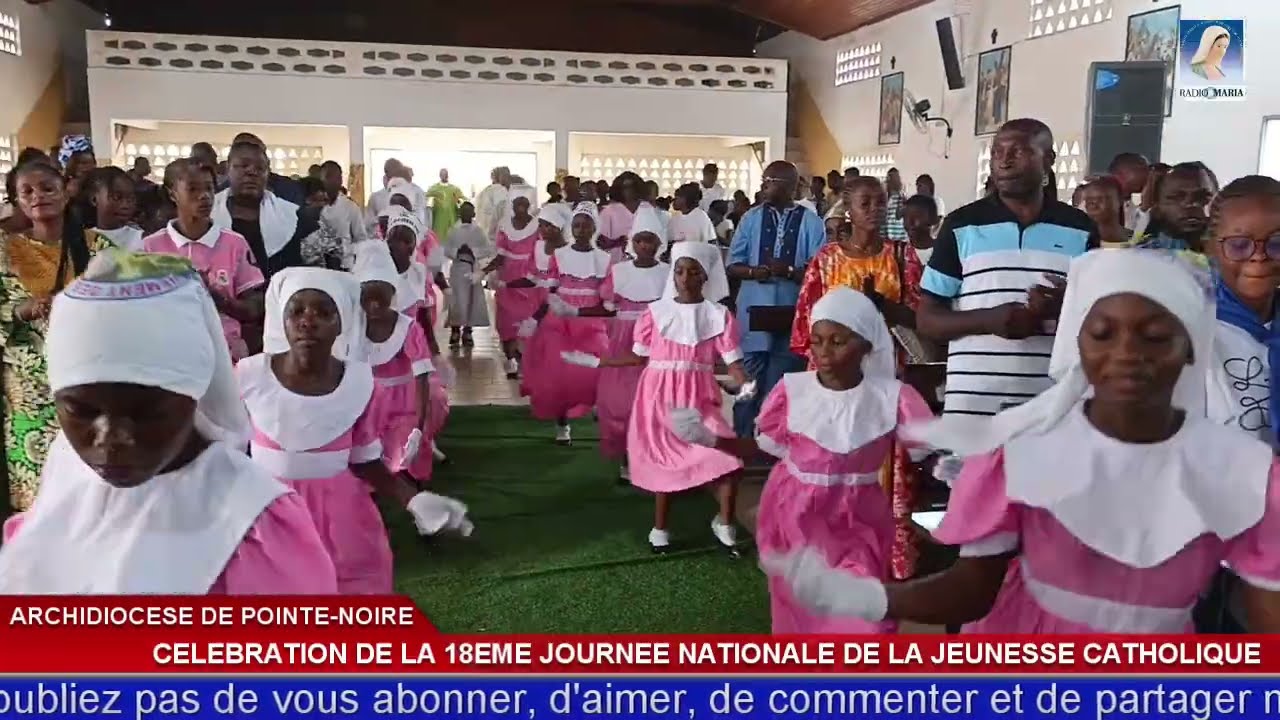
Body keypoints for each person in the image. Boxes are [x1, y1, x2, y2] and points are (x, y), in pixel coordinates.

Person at [765, 249, 1280, 634]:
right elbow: (970, 590)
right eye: (1103, 333)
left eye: (1155, 336)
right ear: (1077, 341)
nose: (1128, 354)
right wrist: (866, 598)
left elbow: (1266, 614)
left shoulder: (1242, 472)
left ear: (1191, 347)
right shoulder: (1024, 454)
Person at [0, 251, 337, 593]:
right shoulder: (68, 470)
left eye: (145, 413)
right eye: (81, 411)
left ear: (194, 394)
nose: (112, 438)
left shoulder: (251, 524)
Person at [673, 286, 935, 630]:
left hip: (858, 519)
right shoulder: (793, 390)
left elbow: (924, 451)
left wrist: (956, 468)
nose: (824, 352)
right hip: (796, 512)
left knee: (865, 618)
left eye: (838, 341)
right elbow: (762, 447)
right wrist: (709, 439)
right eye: (817, 340)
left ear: (866, 345)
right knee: (800, 611)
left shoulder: (893, 397)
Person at [239, 267, 472, 593]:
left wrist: (414, 500)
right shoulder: (249, 376)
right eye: (297, 311)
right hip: (268, 512)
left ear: (341, 324)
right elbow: (224, 448)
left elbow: (365, 461)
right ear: (282, 319)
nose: (308, 320)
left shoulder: (360, 383)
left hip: (340, 515)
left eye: (323, 312)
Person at [564, 242, 749, 552]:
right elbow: (639, 358)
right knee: (666, 463)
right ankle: (660, 529)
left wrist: (745, 384)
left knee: (728, 459)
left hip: (698, 398)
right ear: (672, 275)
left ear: (706, 277)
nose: (686, 278)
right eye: (679, 271)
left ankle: (725, 523)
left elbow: (733, 361)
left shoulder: (718, 315)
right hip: (659, 397)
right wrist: (600, 361)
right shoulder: (655, 313)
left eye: (694, 272)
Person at [917, 118, 1098, 417]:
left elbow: (1100, 316)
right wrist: (988, 321)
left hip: (1054, 404)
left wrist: (1065, 307)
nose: (1004, 161)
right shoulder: (962, 225)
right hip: (973, 404)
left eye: (1019, 151)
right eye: (997, 152)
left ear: (1049, 160)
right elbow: (927, 320)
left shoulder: (1080, 228)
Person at [0, 160, 95, 512]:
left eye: (47, 187)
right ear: (17, 202)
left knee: (86, 494)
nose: (38, 196)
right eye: (27, 191)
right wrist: (20, 310)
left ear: (66, 191)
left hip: (86, 386)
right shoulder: (5, 252)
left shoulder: (99, 248)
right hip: (29, 394)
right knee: (35, 498)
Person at [727, 160, 827, 438]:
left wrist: (792, 272)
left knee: (783, 386)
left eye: (770, 181)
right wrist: (753, 271)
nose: (763, 186)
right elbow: (732, 264)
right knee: (748, 383)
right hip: (753, 314)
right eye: (764, 180)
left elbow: (819, 271)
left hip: (793, 314)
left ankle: (774, 447)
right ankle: (745, 443)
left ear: (789, 186)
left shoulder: (810, 221)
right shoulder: (751, 218)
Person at [144, 158, 265, 362]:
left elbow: (255, 307)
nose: (205, 196)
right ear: (172, 194)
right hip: (167, 355)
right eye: (192, 189)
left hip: (225, 355)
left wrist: (219, 299)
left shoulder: (234, 243)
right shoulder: (150, 247)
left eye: (209, 188)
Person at [521, 202, 612, 445]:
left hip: (590, 320)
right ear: (571, 227)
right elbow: (551, 292)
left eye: (586, 225)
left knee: (597, 368)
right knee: (557, 375)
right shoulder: (559, 256)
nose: (581, 230)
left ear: (595, 228)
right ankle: (563, 426)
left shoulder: (603, 259)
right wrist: (535, 318)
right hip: (559, 321)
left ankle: (594, 401)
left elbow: (607, 297)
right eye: (577, 225)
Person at [351, 241, 438, 486]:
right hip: (365, 406)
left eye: (382, 297)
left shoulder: (408, 328)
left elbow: (421, 380)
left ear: (393, 293)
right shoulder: (351, 327)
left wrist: (419, 429)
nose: (375, 305)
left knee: (406, 459)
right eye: (368, 298)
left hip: (404, 405)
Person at [1207, 176, 1280, 446]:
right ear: (1212, 247)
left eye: (1277, 243)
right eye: (1239, 245)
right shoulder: (1190, 330)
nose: (1259, 256)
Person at [596, 213, 669, 481]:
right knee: (622, 402)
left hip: (659, 341)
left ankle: (654, 454)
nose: (645, 247)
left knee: (657, 400)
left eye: (651, 241)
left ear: (659, 243)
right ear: (632, 243)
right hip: (625, 341)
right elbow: (608, 307)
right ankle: (627, 455)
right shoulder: (619, 272)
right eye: (640, 240)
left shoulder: (669, 273)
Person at [212, 141, 310, 283]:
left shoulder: (293, 217)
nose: (252, 172)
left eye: (260, 168)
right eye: (244, 165)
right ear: (228, 169)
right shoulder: (207, 214)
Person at [485, 191, 543, 377]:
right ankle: (510, 358)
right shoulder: (505, 227)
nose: (521, 207)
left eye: (524, 203)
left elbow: (543, 252)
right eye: (517, 203)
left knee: (527, 321)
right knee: (506, 322)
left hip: (529, 278)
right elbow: (500, 256)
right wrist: (484, 271)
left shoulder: (538, 227)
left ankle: (523, 358)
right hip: (507, 278)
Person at [1134, 162, 1214, 256]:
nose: (1190, 204)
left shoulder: (1227, 258)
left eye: (1202, 196)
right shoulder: (1140, 257)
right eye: (1176, 197)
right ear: (1156, 207)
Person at [442, 201, 492, 348]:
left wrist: (473, 251)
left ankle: (468, 331)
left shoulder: (478, 231)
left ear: (474, 213)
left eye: (469, 212)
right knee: (456, 300)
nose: (466, 214)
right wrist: (458, 250)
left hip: (473, 268)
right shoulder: (453, 230)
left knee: (472, 301)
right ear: (460, 213)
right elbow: (446, 249)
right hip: (458, 268)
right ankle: (455, 329)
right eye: (464, 212)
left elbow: (487, 249)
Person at [225, 133, 304, 205]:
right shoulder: (218, 195)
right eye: (244, 164)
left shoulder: (289, 188)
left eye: (255, 150)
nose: (251, 171)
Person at [318, 161, 366, 268]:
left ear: (340, 180)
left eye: (333, 177)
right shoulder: (314, 206)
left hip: (345, 266)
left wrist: (344, 249)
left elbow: (362, 241)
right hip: (320, 267)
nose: (329, 181)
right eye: (326, 177)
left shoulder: (350, 207)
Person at [84, 167, 144, 251]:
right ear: (94, 199)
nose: (125, 205)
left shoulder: (143, 239)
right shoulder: (83, 240)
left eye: (130, 199)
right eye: (117, 198)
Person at [598, 172, 646, 261]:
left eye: (632, 186)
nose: (630, 190)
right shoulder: (608, 211)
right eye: (625, 187)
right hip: (616, 261)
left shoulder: (646, 208)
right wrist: (619, 241)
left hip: (644, 262)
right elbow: (602, 242)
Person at [1078, 175, 1133, 248]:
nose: (1094, 205)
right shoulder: (1080, 239)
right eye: (1089, 201)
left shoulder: (1137, 241)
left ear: (1119, 200)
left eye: (1100, 199)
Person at [1108, 152, 1150, 232]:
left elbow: (1135, 239)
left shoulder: (1130, 207)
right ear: (1122, 172)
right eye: (1142, 169)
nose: (1148, 174)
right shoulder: (1097, 201)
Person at [667, 183, 717, 248]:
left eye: (676, 198)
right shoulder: (675, 218)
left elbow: (711, 241)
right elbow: (670, 240)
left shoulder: (701, 217)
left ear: (684, 199)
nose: (673, 201)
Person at [427, 168, 465, 239]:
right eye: (442, 174)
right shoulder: (433, 189)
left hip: (451, 220)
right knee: (438, 241)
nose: (444, 176)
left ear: (448, 175)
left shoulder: (455, 189)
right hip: (438, 221)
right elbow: (426, 202)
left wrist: (458, 200)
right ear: (440, 176)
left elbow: (463, 201)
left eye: (446, 174)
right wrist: (432, 200)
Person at [475, 167, 512, 240]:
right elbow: (504, 214)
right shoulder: (500, 191)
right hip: (497, 237)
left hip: (483, 235)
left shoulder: (483, 192)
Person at [882, 168, 908, 244]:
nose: (890, 180)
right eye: (889, 177)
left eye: (893, 178)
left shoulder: (901, 198)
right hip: (884, 237)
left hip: (897, 238)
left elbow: (899, 216)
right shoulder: (883, 198)